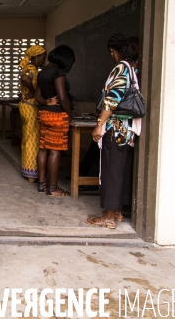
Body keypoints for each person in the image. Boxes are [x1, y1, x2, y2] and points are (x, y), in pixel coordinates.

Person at [86, 34, 141, 230]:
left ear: (112, 51)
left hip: (115, 129)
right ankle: (117, 211)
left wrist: (100, 124)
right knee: (120, 170)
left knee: (111, 171)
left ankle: (107, 217)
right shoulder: (134, 69)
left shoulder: (120, 68)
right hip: (127, 130)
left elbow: (112, 99)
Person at [35, 45, 76, 196]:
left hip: (44, 115)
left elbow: (37, 96)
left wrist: (46, 101)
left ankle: (42, 184)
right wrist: (70, 115)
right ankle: (53, 188)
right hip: (57, 116)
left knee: (43, 148)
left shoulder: (42, 72)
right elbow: (63, 98)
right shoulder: (58, 72)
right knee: (55, 151)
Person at [18, 46, 47, 183]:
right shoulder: (31, 69)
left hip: (26, 105)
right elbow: (24, 78)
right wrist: (35, 91)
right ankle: (31, 174)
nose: (44, 61)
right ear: (36, 57)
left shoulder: (29, 67)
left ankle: (28, 170)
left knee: (28, 138)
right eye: (43, 58)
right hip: (30, 107)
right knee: (32, 139)